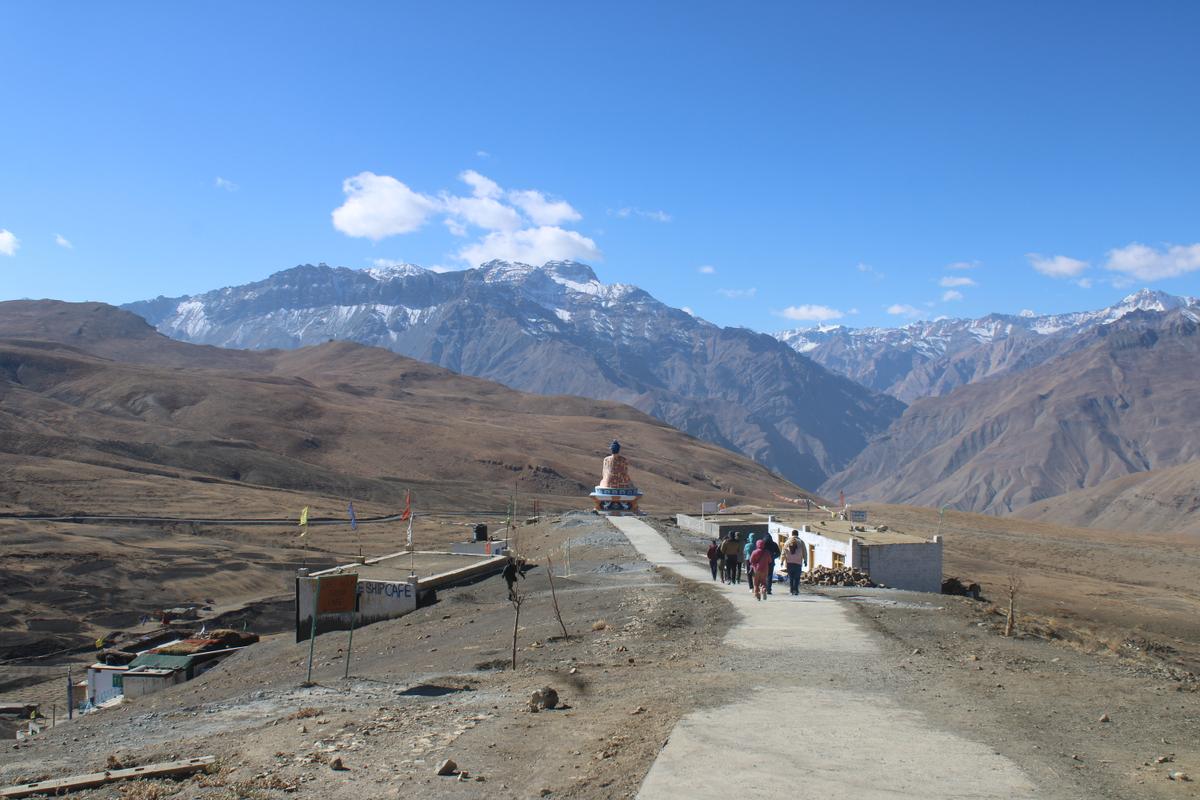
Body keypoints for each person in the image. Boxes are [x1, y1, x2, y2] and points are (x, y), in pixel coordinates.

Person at [784, 529, 807, 595]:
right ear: (797, 534)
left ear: (792, 534)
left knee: (791, 577)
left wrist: (782, 560)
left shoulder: (787, 542)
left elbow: (783, 552)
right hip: (798, 562)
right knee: (797, 577)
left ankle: (791, 590)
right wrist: (805, 560)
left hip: (789, 562)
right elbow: (804, 552)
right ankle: (796, 590)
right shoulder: (801, 542)